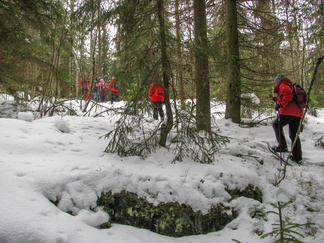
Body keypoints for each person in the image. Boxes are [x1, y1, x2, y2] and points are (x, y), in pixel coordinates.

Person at [272, 73, 303, 164]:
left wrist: (280, 105)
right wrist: (278, 100)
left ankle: (282, 146)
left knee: (276, 125)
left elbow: (288, 95)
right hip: (297, 113)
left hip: (288, 112)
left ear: (279, 80)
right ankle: (297, 157)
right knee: (294, 135)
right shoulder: (290, 85)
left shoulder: (283, 85)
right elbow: (287, 96)